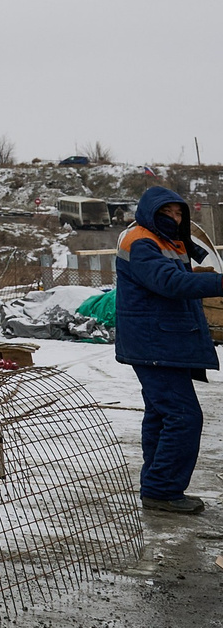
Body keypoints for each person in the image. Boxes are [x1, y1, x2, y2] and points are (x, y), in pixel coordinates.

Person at [113, 185, 221, 513]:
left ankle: (156, 486)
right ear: (151, 212)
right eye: (167, 213)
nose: (174, 218)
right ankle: (162, 491)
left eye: (178, 213)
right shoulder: (142, 241)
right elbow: (170, 283)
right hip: (153, 343)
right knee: (183, 416)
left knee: (162, 415)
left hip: (162, 340)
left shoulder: (167, 241)